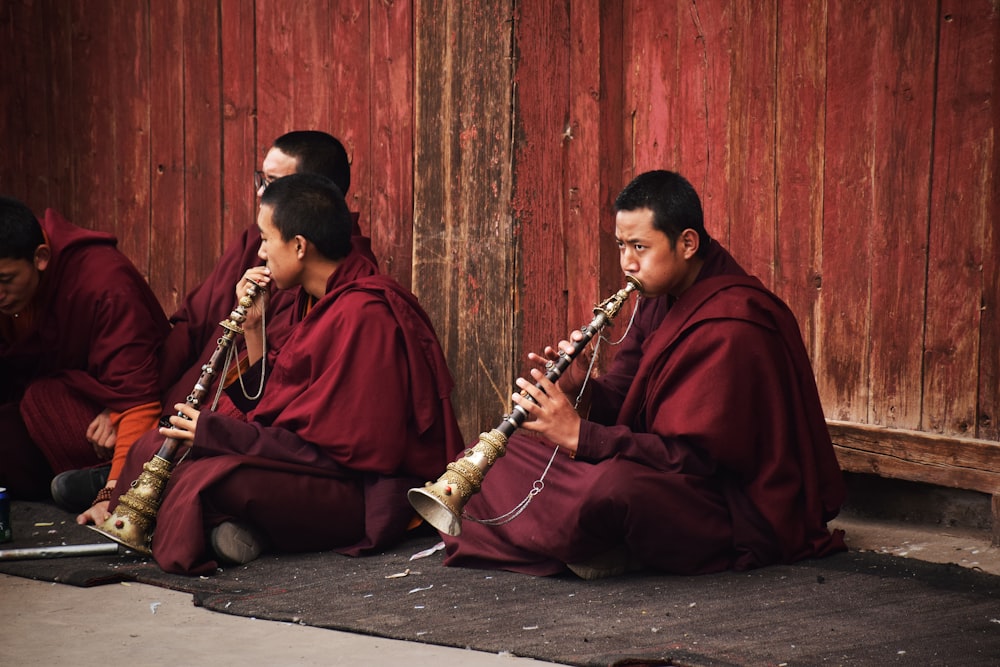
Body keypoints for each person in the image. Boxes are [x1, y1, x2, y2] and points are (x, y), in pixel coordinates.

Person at [440, 169, 847, 579]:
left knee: (613, 490)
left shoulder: (733, 324)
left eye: (640, 246)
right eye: (621, 246)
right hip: (655, 466)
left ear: (687, 243)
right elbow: (625, 392)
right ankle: (592, 545)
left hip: (723, 501)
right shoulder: (660, 293)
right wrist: (581, 389)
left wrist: (582, 437)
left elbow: (694, 460)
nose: (627, 262)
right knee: (489, 460)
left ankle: (592, 544)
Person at [82, 173, 464, 576]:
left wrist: (219, 434)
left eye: (266, 239)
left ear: (299, 246)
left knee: (214, 480)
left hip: (354, 491)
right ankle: (231, 533)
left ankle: (231, 532)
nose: (260, 252)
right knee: (155, 447)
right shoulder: (313, 300)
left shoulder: (364, 315)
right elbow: (278, 400)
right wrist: (253, 329)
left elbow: (343, 452)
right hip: (301, 465)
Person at [52, 130, 377, 510]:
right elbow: (192, 323)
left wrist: (217, 429)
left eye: (272, 184)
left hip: (273, 432)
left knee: (200, 464)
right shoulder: (260, 247)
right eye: (261, 180)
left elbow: (300, 402)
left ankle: (155, 473)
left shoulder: (353, 295)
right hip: (237, 407)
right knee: (50, 405)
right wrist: (131, 402)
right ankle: (149, 467)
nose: (261, 194)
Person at [0, 196, 169, 506]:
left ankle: (109, 477)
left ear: (40, 257)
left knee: (44, 400)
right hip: (57, 413)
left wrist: (115, 495)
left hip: (112, 418)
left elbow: (138, 397)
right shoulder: (15, 293)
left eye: (5, 280)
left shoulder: (103, 282)